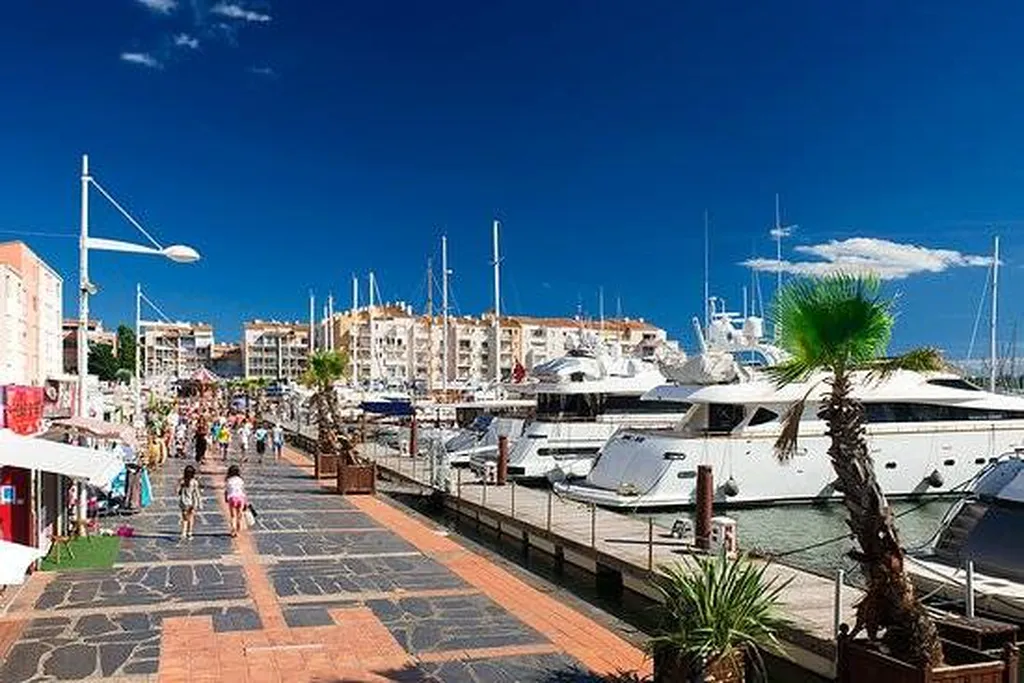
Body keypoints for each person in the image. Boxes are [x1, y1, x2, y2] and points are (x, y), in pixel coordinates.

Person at [177, 465, 202, 540]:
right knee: (191, 518)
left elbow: (178, 492)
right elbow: (197, 493)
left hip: (183, 502)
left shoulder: (182, 481)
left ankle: (183, 533)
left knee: (184, 518)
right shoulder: (194, 482)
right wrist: (199, 503)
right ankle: (189, 533)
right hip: (191, 502)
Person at [224, 465, 247, 537]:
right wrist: (245, 501)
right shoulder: (241, 480)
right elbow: (243, 491)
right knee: (239, 516)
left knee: (233, 516)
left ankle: (233, 530)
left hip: (232, 498)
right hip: (241, 497)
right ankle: (238, 531)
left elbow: (227, 491)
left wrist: (226, 498)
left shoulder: (228, 480)